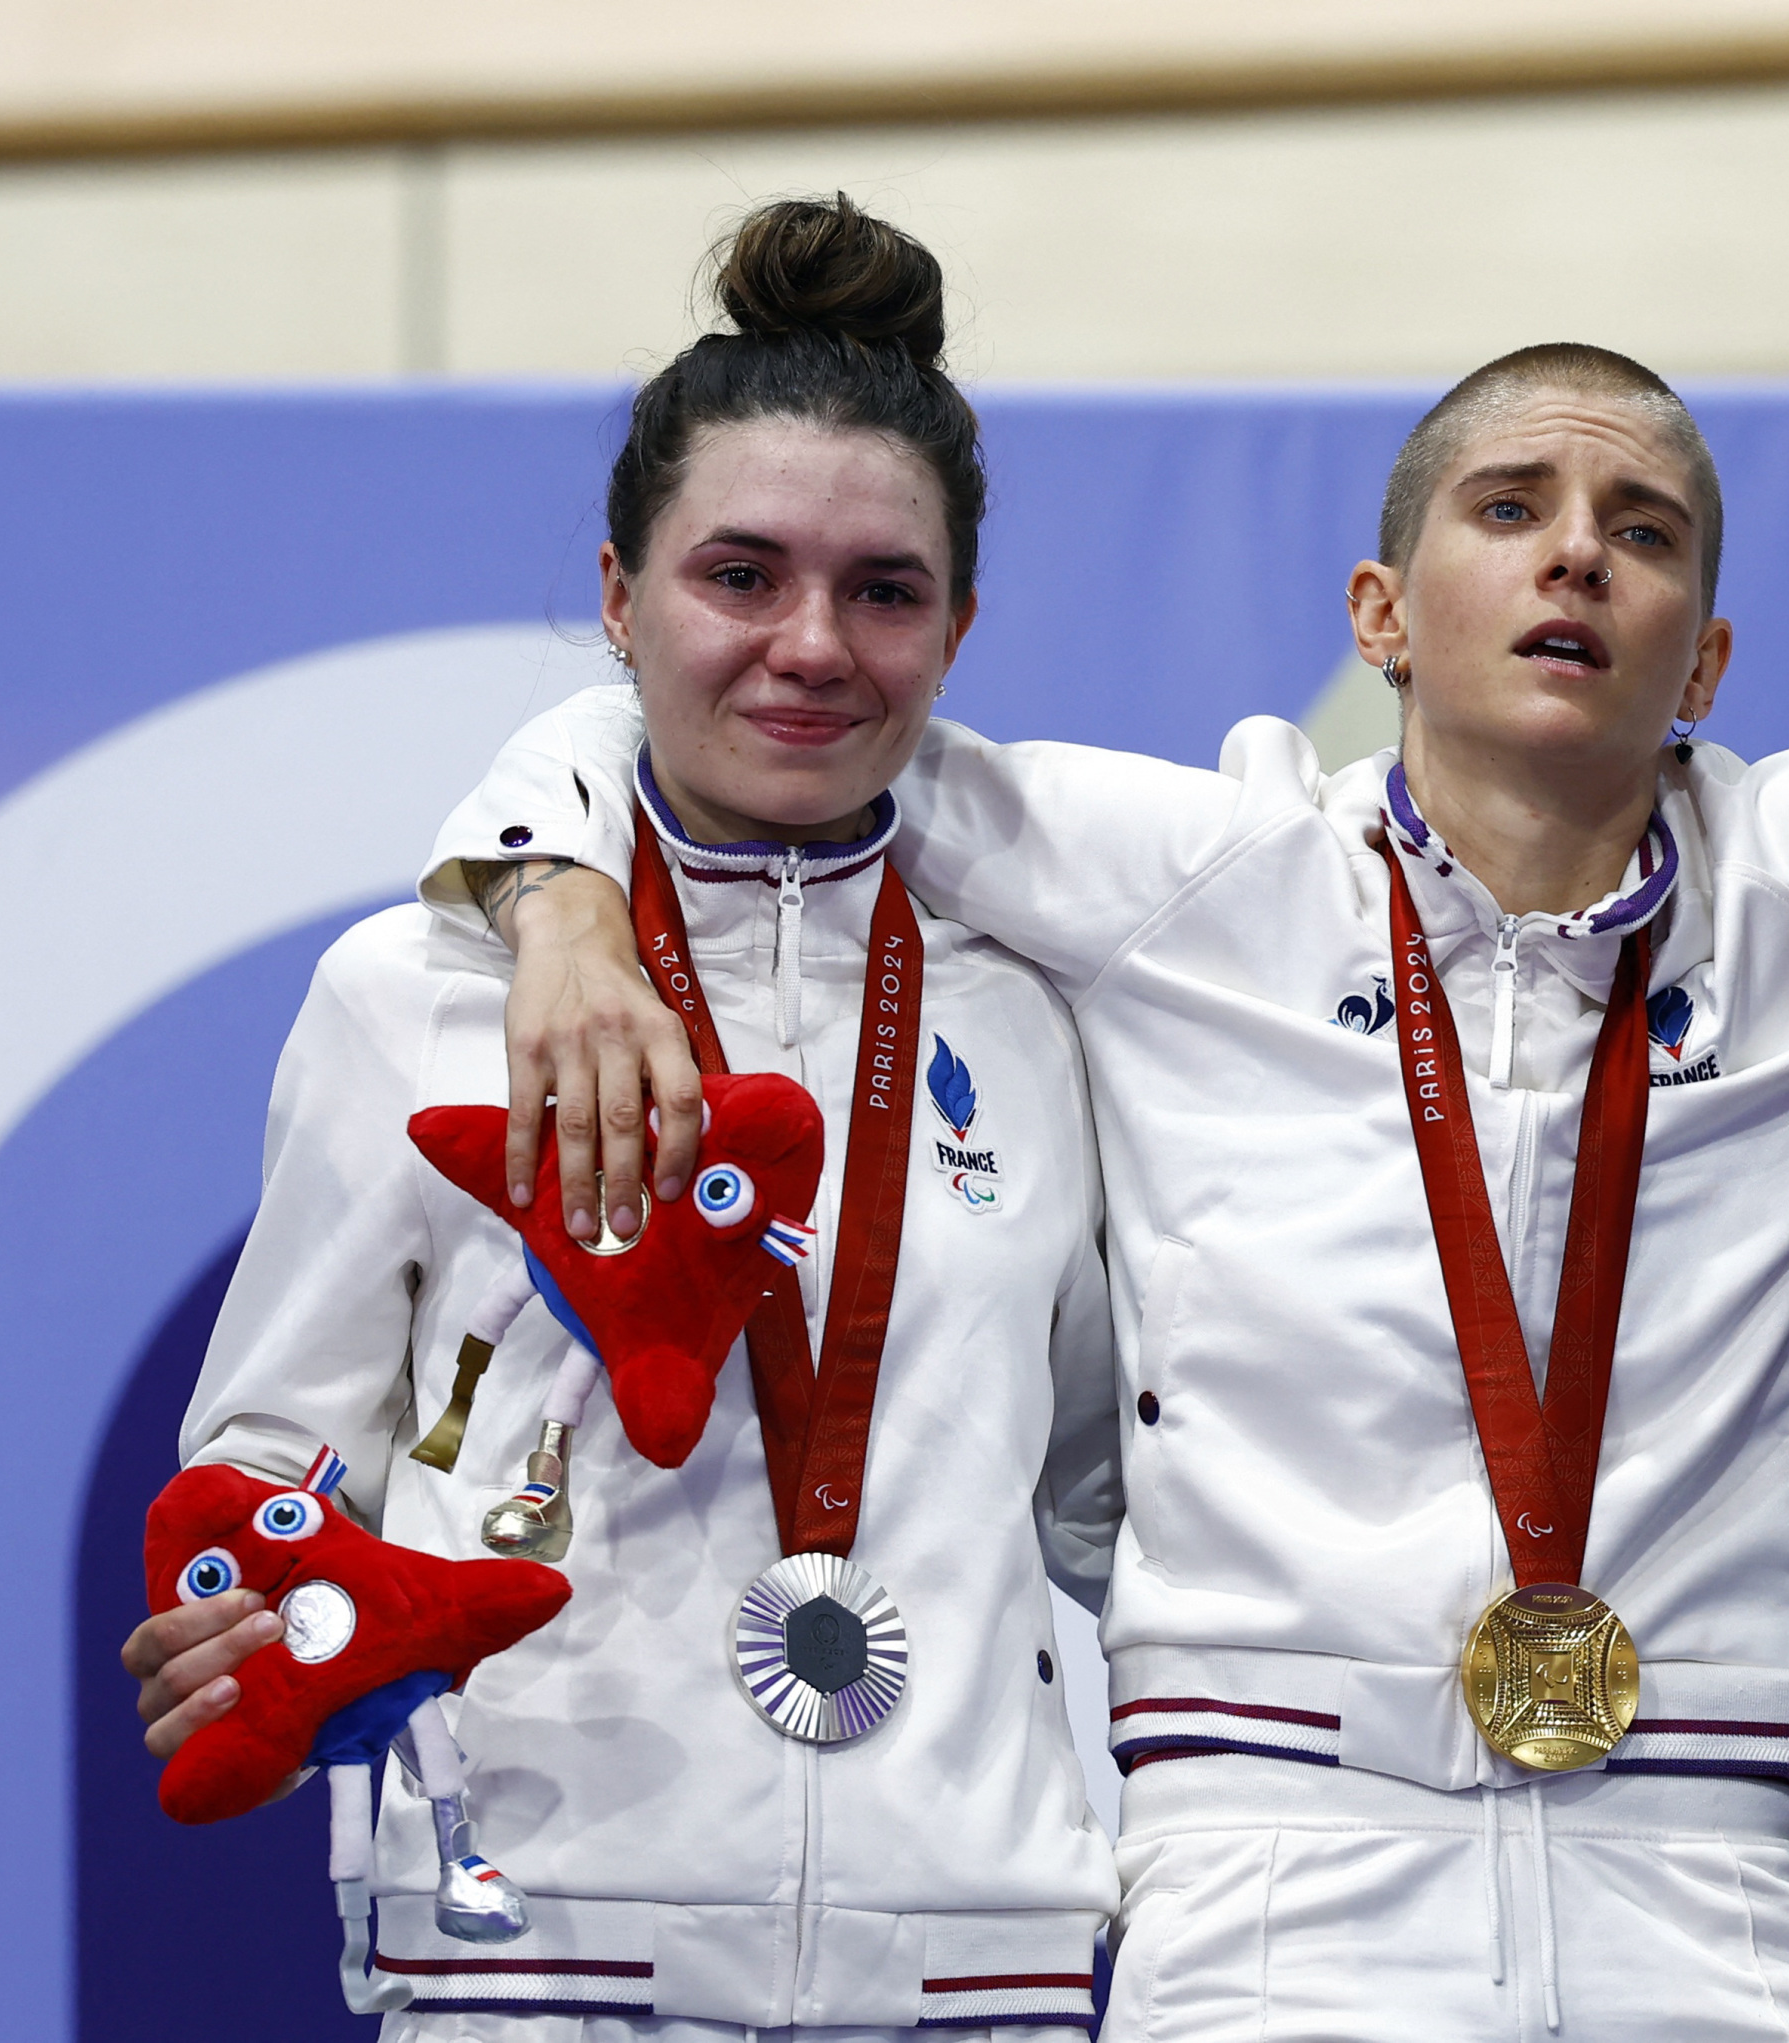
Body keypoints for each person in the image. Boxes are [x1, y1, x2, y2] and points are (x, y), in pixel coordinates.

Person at [404, 336, 1789, 2038]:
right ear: (1383, 614)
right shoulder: (1201, 881)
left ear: (1706, 657)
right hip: (1273, 1902)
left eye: (1642, 529)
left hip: (1714, 1898)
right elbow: (784, 721)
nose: (1576, 558)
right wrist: (567, 898)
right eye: (1510, 510)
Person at [119, 196, 1123, 2039]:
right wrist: (244, 1617)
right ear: (615, 596)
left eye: (882, 590)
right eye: (738, 575)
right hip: (537, 1955)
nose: (810, 644)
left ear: (959, 625)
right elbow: (269, 1451)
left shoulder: (1055, 1009)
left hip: (978, 1959)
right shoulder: (412, 999)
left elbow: (1110, 1495)